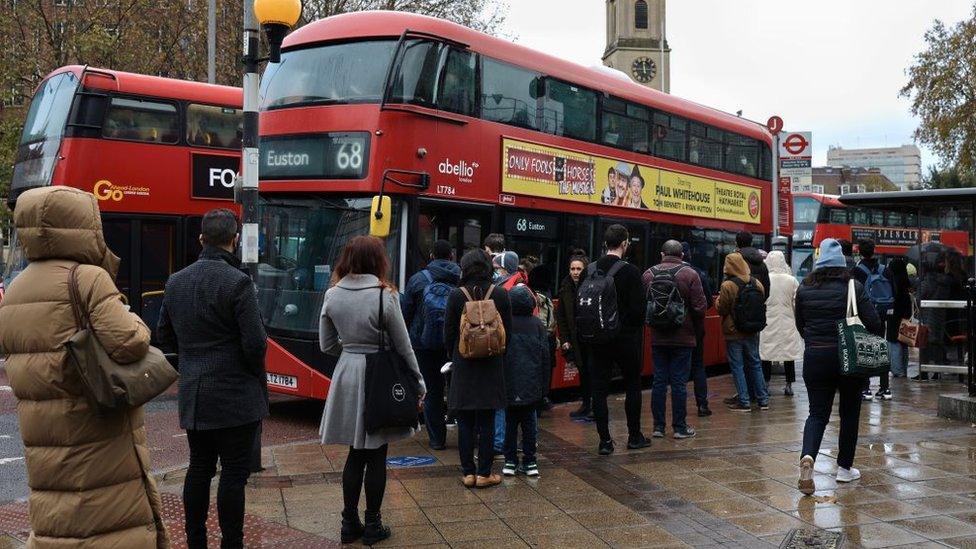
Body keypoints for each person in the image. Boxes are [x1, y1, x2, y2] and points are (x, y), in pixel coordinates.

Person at [0, 187, 168, 547]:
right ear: (83, 226)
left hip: (42, 434)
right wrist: (134, 319)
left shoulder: (14, 289)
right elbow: (128, 342)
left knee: (59, 519)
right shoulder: (87, 278)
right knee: (108, 520)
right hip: (96, 429)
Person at [157, 208, 267, 549]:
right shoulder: (239, 282)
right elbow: (255, 343)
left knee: (199, 468)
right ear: (234, 240)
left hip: (195, 393)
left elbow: (164, 335)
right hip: (236, 395)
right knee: (234, 474)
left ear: (202, 239)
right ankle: (231, 543)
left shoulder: (176, 281)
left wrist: (190, 362)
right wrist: (248, 373)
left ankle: (195, 541)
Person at [318, 236, 425, 544]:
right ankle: (374, 525)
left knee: (354, 453)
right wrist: (418, 382)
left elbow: (326, 344)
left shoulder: (332, 294)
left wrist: (350, 353)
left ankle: (348, 522)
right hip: (379, 373)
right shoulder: (385, 295)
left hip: (347, 373)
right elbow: (403, 346)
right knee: (376, 453)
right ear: (378, 261)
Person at [795, 239, 884, 494]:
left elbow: (800, 324)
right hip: (848, 358)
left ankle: (808, 456)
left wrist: (814, 341)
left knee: (817, 414)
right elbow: (875, 323)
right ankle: (844, 469)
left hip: (815, 357)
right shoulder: (853, 287)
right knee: (849, 414)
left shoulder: (804, 288)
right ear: (841, 263)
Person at [444, 250, 513, 488]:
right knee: (487, 420)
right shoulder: (501, 294)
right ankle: (485, 473)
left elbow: (449, 334)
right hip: (492, 366)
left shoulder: (456, 295)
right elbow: (508, 335)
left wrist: (454, 356)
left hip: (464, 365)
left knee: (464, 422)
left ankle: (468, 473)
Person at [588, 225, 651, 455]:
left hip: (597, 338)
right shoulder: (631, 272)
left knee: (599, 388)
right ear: (624, 243)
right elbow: (638, 311)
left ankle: (604, 441)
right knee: (632, 384)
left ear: (605, 243)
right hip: (625, 339)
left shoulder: (591, 269)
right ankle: (634, 436)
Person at [642, 240, 707, 439]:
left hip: (658, 338)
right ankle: (679, 427)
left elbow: (642, 303)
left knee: (659, 381)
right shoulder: (690, 274)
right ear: (682, 255)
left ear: (662, 254)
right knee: (679, 383)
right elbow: (700, 307)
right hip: (684, 338)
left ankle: (658, 427)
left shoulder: (648, 274)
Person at [401, 239, 460, 450]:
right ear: (451, 256)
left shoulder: (418, 279)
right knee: (459, 387)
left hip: (423, 344)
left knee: (432, 391)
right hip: (454, 346)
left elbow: (406, 313)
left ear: (432, 256)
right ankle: (466, 434)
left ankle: (437, 440)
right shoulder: (461, 279)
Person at [502, 285, 549, 477]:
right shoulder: (537, 325)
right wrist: (544, 388)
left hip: (509, 385)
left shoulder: (506, 324)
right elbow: (545, 357)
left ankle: (510, 462)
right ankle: (530, 461)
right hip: (532, 385)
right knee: (530, 424)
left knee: (510, 425)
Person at [717, 252, 770, 412]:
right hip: (753, 330)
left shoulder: (728, 285)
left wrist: (718, 300)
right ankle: (763, 400)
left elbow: (722, 309)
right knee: (755, 363)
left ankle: (744, 401)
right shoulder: (757, 283)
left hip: (734, 332)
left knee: (738, 366)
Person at [851, 238, 893, 400]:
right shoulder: (885, 269)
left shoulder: (857, 271)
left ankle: (866, 388)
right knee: (881, 348)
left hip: (864, 315)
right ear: (874, 250)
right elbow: (893, 292)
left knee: (864, 349)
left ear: (860, 252)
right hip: (881, 314)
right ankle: (885, 388)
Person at [759, 251, 802, 397]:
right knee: (788, 356)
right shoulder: (791, 280)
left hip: (768, 322)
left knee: (766, 354)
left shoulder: (764, 279)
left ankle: (766, 383)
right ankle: (789, 385)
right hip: (787, 322)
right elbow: (797, 303)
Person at [681, 242, 714, 416]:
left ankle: (670, 414)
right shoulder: (699, 274)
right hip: (694, 327)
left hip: (669, 329)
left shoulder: (657, 271)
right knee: (698, 366)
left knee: (673, 371)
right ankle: (702, 405)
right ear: (689, 255)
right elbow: (709, 302)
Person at [557, 252, 591, 419]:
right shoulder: (565, 286)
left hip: (590, 337)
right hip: (575, 338)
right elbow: (561, 316)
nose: (575, 272)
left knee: (592, 372)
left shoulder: (592, 285)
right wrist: (564, 340)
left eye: (579, 269)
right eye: (572, 269)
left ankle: (592, 406)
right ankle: (586, 405)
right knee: (583, 372)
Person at [886, 257, 912, 384]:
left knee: (894, 341)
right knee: (904, 341)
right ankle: (903, 369)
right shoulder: (906, 283)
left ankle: (897, 370)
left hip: (894, 315)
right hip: (905, 316)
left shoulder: (892, 282)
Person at [735, 231, 771, 299]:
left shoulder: (733, 261)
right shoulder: (762, 263)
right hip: (756, 305)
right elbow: (767, 289)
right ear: (751, 243)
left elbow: (727, 288)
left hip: (737, 306)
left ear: (736, 243)